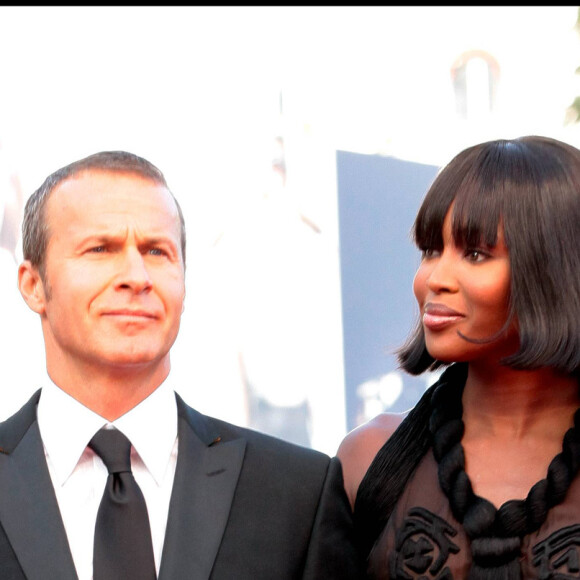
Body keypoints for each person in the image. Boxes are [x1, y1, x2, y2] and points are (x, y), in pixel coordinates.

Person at [0, 150, 361, 580]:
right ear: (32, 284)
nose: (137, 275)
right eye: (100, 248)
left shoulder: (298, 495)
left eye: (157, 251)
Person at [337, 135, 580, 580]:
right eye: (431, 250)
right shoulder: (367, 459)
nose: (434, 277)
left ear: (555, 268)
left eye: (474, 253)